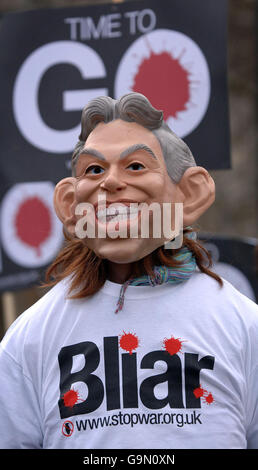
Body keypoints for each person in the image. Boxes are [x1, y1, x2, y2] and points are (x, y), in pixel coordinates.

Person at [0, 92, 257, 449]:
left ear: (190, 193)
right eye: (94, 169)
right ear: (70, 204)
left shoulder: (243, 326)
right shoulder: (30, 339)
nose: (110, 182)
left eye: (135, 166)